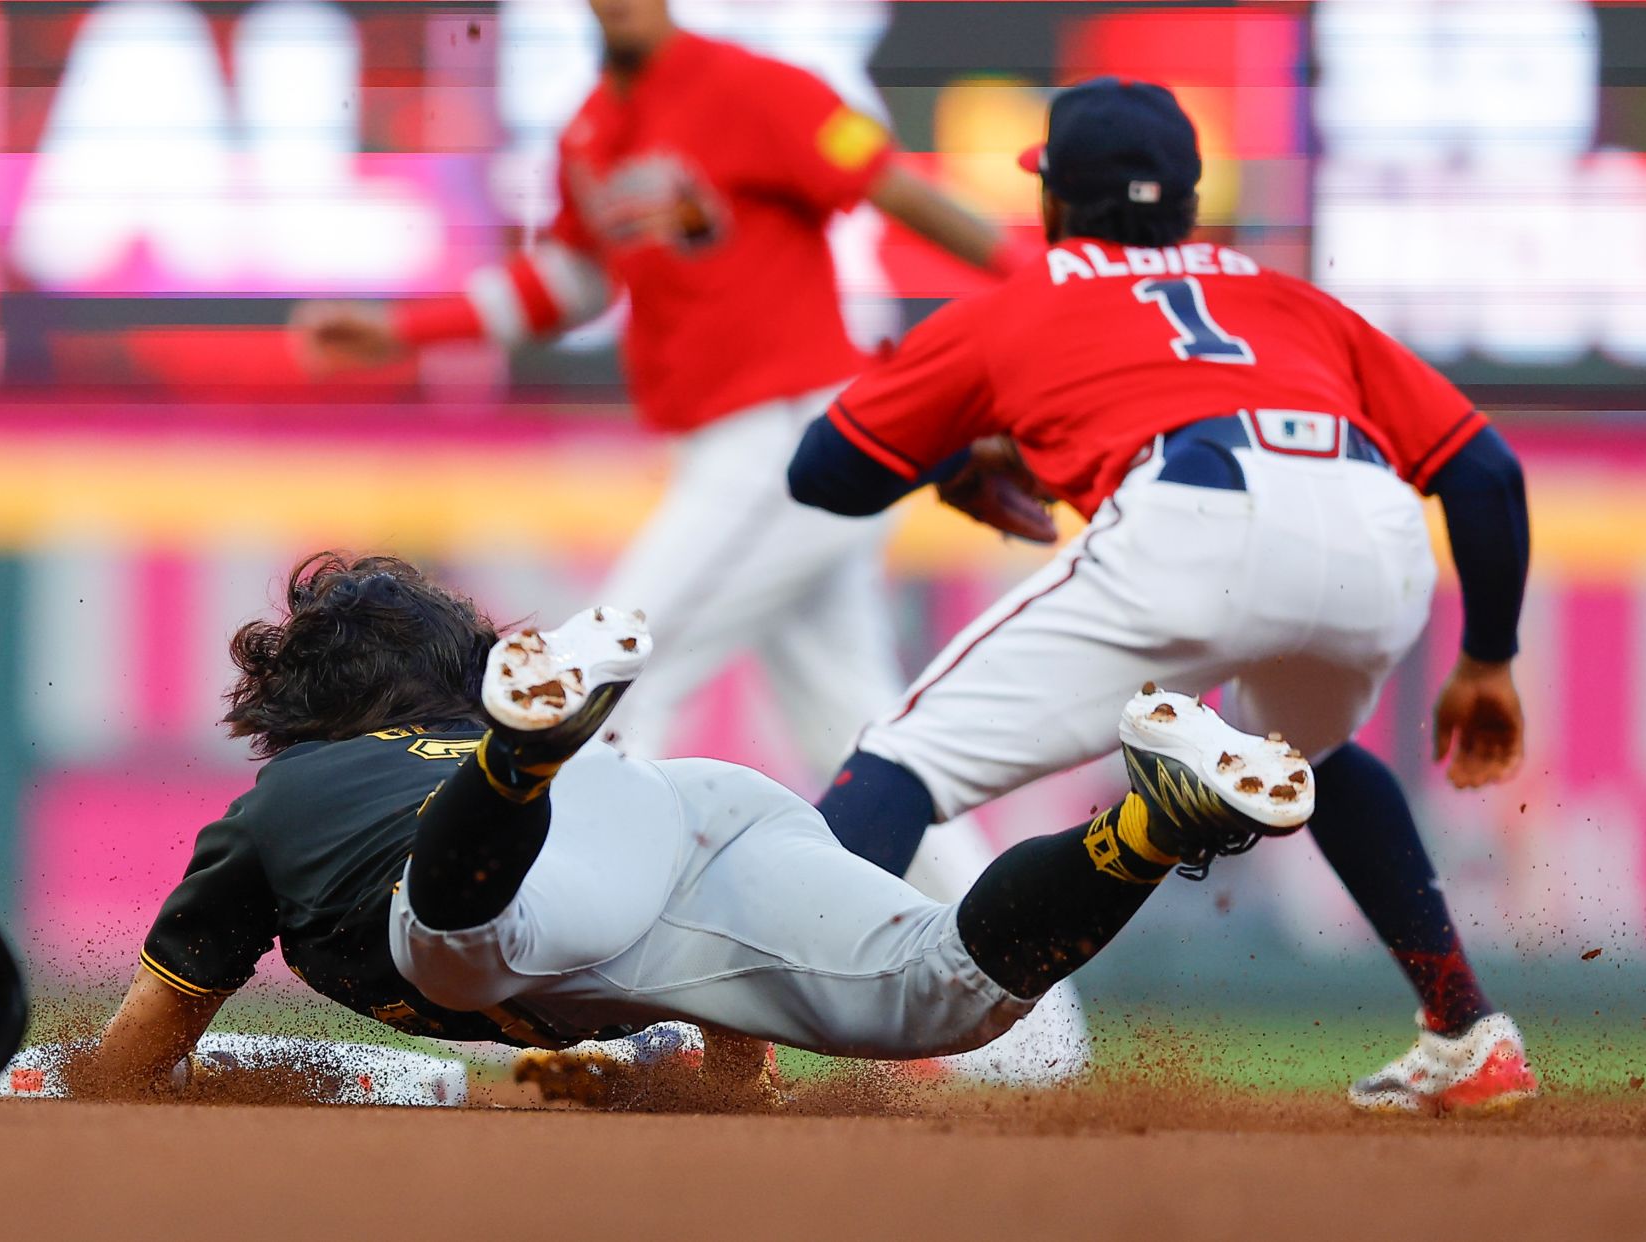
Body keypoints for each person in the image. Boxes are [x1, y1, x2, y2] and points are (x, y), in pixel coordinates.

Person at [290, 0, 1087, 1082]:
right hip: (736, 444)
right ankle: (1039, 1043)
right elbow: (568, 281)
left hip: (795, 429)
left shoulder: (751, 88)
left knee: (602, 676)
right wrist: (405, 328)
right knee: (880, 748)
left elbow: (891, 188)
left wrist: (1040, 284)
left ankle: (616, 996)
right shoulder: (592, 131)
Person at [786, 78, 1539, 1116]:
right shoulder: (1293, 301)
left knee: (904, 760)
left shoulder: (1030, 298)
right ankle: (1467, 1031)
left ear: (1051, 199)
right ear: (1189, 201)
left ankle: (744, 1015)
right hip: (1373, 526)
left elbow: (824, 472)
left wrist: (960, 454)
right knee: (1309, 753)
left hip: (1195, 517)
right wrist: (1488, 656)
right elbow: (1485, 473)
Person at [75, 553, 1314, 1099]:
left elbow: (143, 1052)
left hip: (521, 856)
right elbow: (735, 1051)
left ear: (298, 718)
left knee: (454, 936)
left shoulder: (276, 806)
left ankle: (518, 768)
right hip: (681, 799)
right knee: (946, 991)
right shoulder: (539, 788)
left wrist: (83, 1089)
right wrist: (635, 1080)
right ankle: (1152, 825)